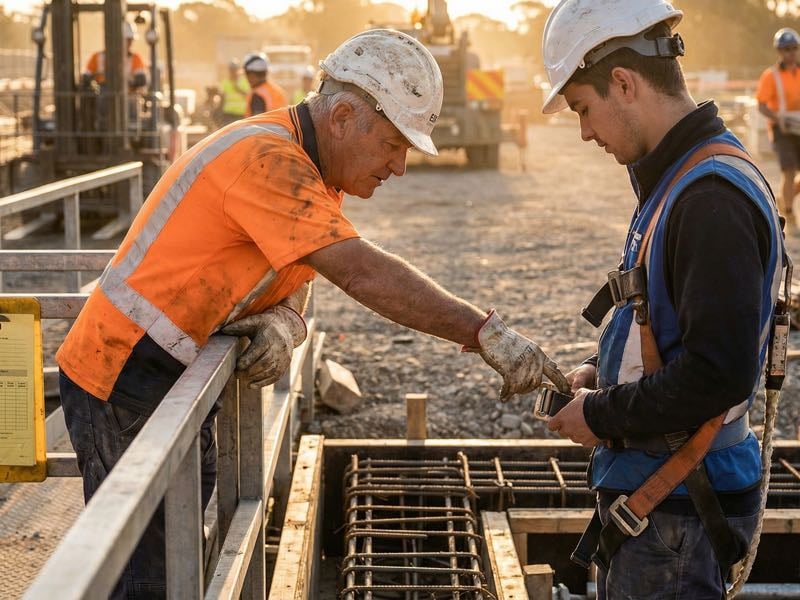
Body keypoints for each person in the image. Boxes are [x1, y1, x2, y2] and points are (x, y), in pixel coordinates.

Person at [57, 28, 567, 598]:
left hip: (168, 375)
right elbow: (360, 271)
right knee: (145, 575)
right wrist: (482, 332)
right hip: (123, 372)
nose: (399, 167)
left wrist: (285, 321)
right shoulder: (267, 159)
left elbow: (302, 272)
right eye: (394, 145)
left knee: (178, 555)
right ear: (345, 115)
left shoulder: (313, 169)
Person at [540, 1, 788, 598]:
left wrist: (599, 414)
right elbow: (680, 333)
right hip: (669, 503)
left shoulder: (708, 199)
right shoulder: (685, 178)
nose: (585, 132)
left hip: (678, 514)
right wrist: (602, 373)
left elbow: (716, 374)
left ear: (623, 83)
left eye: (583, 108)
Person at [757, 27, 800, 226]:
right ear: (779, 52)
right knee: (789, 170)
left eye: (794, 48)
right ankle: (789, 214)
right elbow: (761, 105)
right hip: (781, 129)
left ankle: (786, 198)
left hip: (799, 127)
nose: (791, 53)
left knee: (795, 177)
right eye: (786, 49)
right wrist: (778, 118)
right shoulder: (770, 76)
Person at [82, 20, 147, 93]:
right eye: (127, 40)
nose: (130, 43)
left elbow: (141, 80)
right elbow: (86, 77)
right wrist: (98, 75)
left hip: (128, 96)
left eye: (131, 40)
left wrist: (126, 80)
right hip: (102, 95)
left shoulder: (135, 58)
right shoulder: (97, 57)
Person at [243, 51, 288, 116]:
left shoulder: (257, 95)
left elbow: (257, 124)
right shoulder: (277, 91)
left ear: (252, 75)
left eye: (246, 74)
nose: (247, 79)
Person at [217, 58, 249, 126]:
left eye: (235, 69)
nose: (233, 71)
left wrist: (239, 89)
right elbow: (222, 99)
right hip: (228, 114)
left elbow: (249, 96)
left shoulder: (245, 81)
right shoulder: (225, 83)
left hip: (241, 115)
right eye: (231, 70)